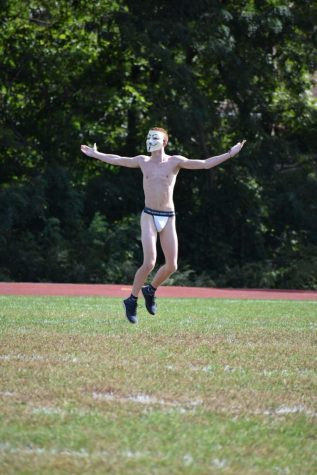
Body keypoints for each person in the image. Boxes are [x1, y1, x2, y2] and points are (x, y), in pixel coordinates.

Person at [81, 128, 246, 323]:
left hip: (168, 216)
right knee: (150, 261)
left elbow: (204, 164)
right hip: (149, 215)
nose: (150, 140)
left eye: (154, 137)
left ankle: (150, 290)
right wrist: (96, 154)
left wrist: (229, 153)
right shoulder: (143, 161)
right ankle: (132, 300)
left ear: (164, 142)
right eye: (148, 136)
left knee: (172, 265)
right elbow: (118, 159)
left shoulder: (175, 161)